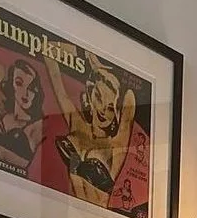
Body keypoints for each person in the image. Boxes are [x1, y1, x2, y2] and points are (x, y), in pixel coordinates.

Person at [42, 49, 136, 209]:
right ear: (90, 94)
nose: (103, 111)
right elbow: (50, 61)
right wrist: (82, 51)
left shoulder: (116, 146)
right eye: (99, 97)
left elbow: (130, 98)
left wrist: (101, 65)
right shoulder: (76, 122)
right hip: (67, 215)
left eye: (110, 107)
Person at [0, 56, 45, 172]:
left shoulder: (38, 126)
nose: (26, 93)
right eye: (19, 83)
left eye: (31, 87)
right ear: (11, 85)